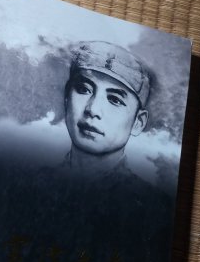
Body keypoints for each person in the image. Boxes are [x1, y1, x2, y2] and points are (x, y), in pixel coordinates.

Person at [63, 40, 151, 180]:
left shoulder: (147, 194)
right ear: (66, 99)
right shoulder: (33, 182)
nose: (93, 110)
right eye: (84, 89)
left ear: (138, 122)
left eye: (115, 100)